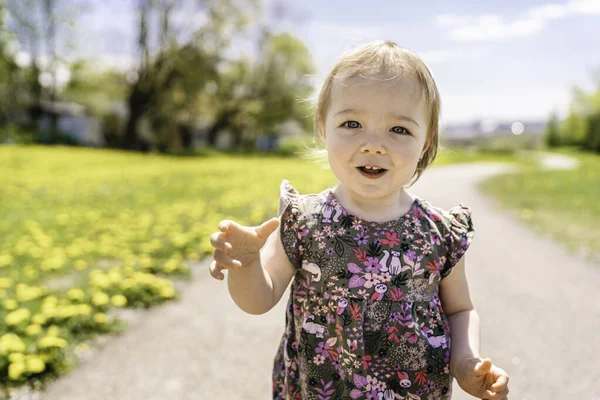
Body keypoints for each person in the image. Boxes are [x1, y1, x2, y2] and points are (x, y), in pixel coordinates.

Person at [208, 40, 510, 400]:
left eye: (399, 130)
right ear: (323, 127)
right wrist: (246, 264)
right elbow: (259, 299)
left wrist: (465, 361)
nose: (373, 144)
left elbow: (460, 309)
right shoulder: (305, 221)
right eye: (352, 123)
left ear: (425, 141)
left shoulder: (439, 233)